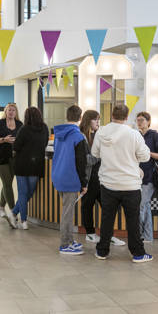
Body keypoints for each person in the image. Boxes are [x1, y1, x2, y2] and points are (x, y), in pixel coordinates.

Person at [91, 104, 152, 263]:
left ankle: (102, 251)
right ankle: (138, 253)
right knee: (133, 220)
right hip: (130, 184)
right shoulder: (133, 134)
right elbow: (145, 156)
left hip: (108, 183)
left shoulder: (101, 132)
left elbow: (95, 153)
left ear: (112, 115)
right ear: (126, 117)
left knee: (107, 219)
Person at [79, 110, 125, 246]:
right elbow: (85, 159)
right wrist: (100, 154)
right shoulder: (81, 136)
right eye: (95, 120)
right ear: (88, 120)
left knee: (108, 206)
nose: (98, 123)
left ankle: (108, 234)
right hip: (89, 176)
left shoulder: (99, 134)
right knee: (88, 205)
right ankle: (90, 233)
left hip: (101, 175)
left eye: (99, 120)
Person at [51, 105, 88, 255]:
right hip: (71, 177)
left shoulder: (58, 134)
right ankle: (65, 244)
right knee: (68, 213)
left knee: (66, 211)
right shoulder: (78, 136)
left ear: (67, 116)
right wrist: (84, 183)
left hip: (58, 175)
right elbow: (81, 162)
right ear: (80, 118)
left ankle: (70, 241)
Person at [10, 107, 49, 230]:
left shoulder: (24, 129)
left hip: (22, 164)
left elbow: (16, 146)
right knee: (29, 192)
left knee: (23, 193)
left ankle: (17, 216)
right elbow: (45, 143)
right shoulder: (44, 128)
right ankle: (21, 219)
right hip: (36, 165)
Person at [136, 112, 158, 243]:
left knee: (141, 206)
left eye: (142, 120)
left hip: (150, 176)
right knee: (146, 205)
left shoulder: (155, 136)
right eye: (137, 120)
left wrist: (147, 153)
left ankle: (138, 235)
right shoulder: (136, 135)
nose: (139, 122)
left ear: (148, 121)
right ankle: (148, 236)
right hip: (136, 176)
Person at [0, 103, 23, 226]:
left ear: (16, 112)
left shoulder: (20, 124)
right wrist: (3, 140)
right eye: (9, 110)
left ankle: (0, 208)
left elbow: (22, 139)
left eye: (13, 110)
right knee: (7, 183)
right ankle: (12, 212)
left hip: (15, 158)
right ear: (5, 111)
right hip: (1, 158)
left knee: (8, 184)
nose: (11, 112)